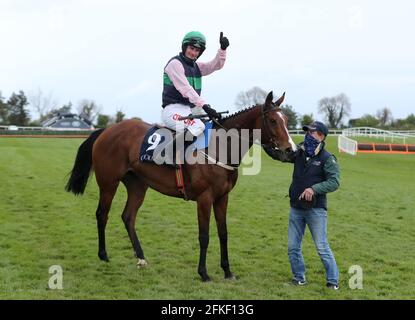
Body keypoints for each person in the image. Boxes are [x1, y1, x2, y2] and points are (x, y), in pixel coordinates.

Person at [263, 121, 340, 290]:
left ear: (321, 135)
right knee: (292, 247)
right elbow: (281, 156)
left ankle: (333, 281)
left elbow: (334, 182)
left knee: (321, 247)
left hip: (316, 210)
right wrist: (265, 143)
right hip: (296, 207)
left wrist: (314, 189)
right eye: (307, 132)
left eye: (311, 132)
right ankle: (299, 278)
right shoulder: (299, 152)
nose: (307, 135)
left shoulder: (327, 158)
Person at [162, 30, 229, 137]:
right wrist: (205, 106)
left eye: (197, 50)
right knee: (198, 126)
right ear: (185, 47)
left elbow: (215, 65)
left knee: (213, 124)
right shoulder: (175, 64)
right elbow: (186, 89)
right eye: (191, 48)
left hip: (190, 110)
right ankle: (169, 152)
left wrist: (223, 50)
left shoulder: (196, 67)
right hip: (172, 110)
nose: (193, 53)